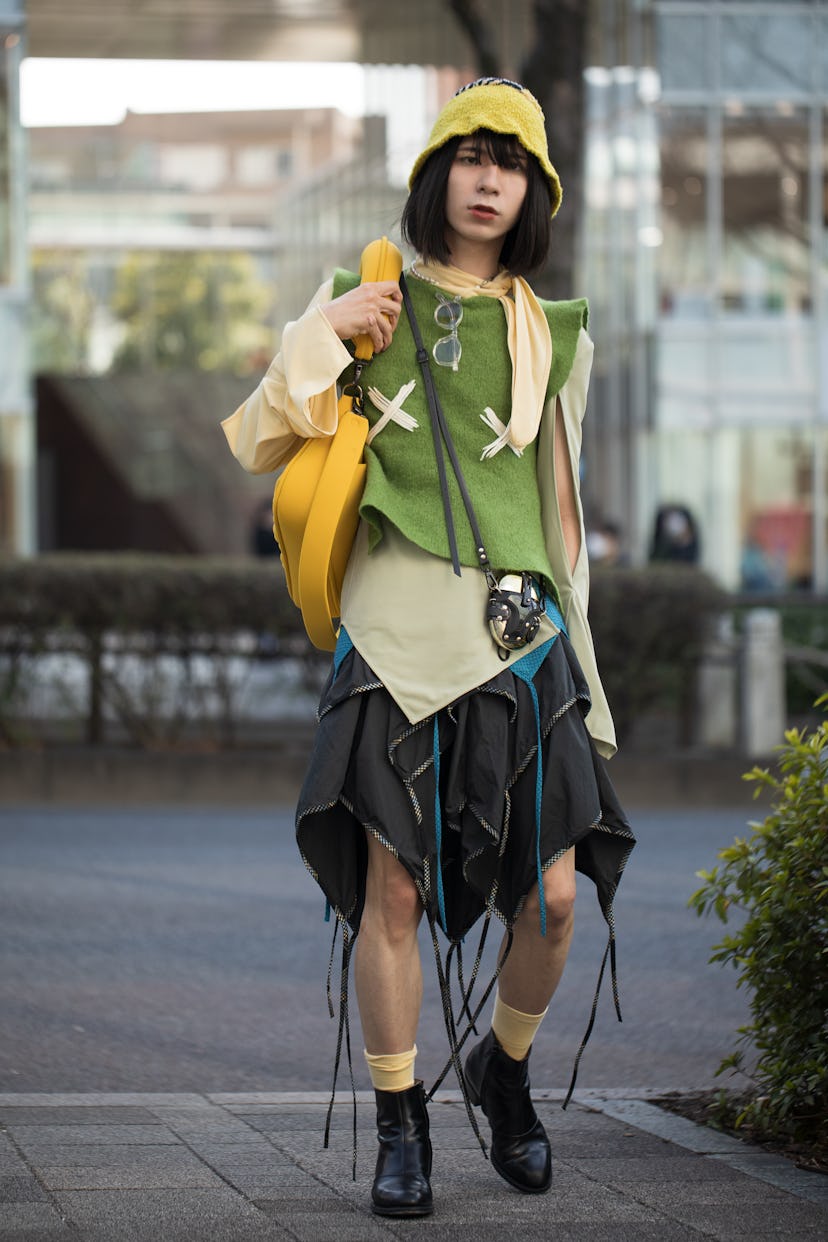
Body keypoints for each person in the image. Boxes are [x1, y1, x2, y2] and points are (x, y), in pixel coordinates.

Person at [222, 77, 635, 1219]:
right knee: (391, 900)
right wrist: (326, 333)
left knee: (552, 899)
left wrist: (587, 681)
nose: (490, 178)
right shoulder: (372, 300)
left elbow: (562, 522)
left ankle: (504, 1072)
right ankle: (400, 1121)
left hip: (521, 639)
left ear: (536, 192)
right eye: (472, 155)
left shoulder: (552, 333)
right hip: (398, 632)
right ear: (437, 174)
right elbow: (259, 434)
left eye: (514, 163)